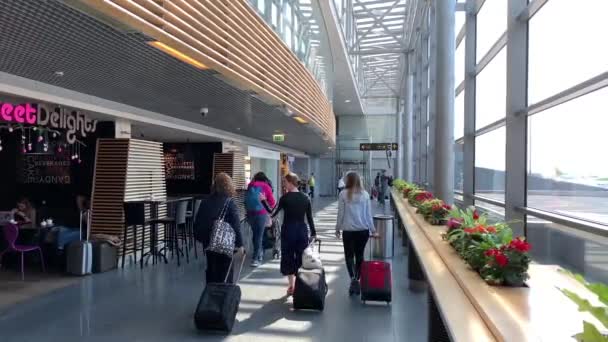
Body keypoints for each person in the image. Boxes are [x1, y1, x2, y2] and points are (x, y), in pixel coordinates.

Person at [262, 172, 316, 296]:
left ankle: (291, 285)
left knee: (288, 257)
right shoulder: (305, 197)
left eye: (285, 182)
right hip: (302, 231)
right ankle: (299, 284)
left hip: (288, 231)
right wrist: (313, 233)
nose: (284, 184)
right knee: (301, 257)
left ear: (291, 182)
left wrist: (264, 201)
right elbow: (310, 218)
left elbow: (272, 212)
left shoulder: (285, 198)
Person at [194, 173, 245, 284]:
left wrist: (203, 238)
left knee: (211, 270)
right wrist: (240, 245)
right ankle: (223, 297)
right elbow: (236, 225)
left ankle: (211, 296)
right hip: (224, 243)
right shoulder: (229, 202)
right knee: (225, 273)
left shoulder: (205, 201)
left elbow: (198, 221)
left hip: (209, 243)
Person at [335, 172, 377, 295]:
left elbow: (340, 214)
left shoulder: (343, 194)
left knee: (349, 256)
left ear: (348, 181)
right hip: (363, 231)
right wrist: (373, 230)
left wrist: (337, 228)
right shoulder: (365, 195)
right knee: (360, 255)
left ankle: (353, 278)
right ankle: (357, 279)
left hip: (348, 231)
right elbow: (368, 215)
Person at [245, 172, 276, 267]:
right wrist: (269, 210)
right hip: (261, 214)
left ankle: (258, 252)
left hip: (250, 214)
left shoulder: (250, 185)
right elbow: (272, 202)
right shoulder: (266, 186)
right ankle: (256, 258)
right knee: (260, 235)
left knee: (255, 234)